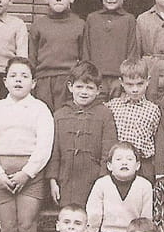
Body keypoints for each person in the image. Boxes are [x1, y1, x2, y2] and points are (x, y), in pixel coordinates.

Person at [0, 57, 54, 232]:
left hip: (31, 175)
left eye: (24, 76)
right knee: (7, 227)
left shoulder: (41, 109)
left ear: (33, 82)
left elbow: (44, 146)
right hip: (1, 176)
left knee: (27, 225)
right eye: (13, 75)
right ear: (5, 81)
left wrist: (26, 173)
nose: (18, 80)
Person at [48, 61, 117, 207]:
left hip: (94, 181)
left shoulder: (105, 114)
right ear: (70, 86)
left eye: (90, 88)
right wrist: (53, 181)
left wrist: (103, 181)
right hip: (66, 180)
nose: (84, 92)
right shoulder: (59, 115)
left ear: (98, 90)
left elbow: (108, 152)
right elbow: (54, 153)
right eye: (79, 86)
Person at [85, 142, 153, 232]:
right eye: (119, 159)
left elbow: (146, 220)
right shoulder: (102, 184)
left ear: (137, 165)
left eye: (129, 159)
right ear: (109, 165)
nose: (124, 162)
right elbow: (93, 217)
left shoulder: (144, 186)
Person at [29, 0, 85, 112]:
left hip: (69, 81)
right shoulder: (39, 25)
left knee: (66, 116)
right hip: (43, 81)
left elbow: (84, 58)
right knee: (44, 116)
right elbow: (31, 59)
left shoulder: (80, 24)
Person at [82, 0, 138, 100]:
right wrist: (89, 77)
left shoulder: (129, 20)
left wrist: (125, 79)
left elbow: (132, 53)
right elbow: (86, 50)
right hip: (96, 79)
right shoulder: (92, 19)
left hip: (119, 81)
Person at [106, 58, 161, 183]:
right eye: (130, 85)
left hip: (143, 165)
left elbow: (155, 138)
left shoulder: (153, 110)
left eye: (140, 84)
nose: (135, 89)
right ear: (121, 82)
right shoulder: (113, 106)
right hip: (119, 162)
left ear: (148, 81)